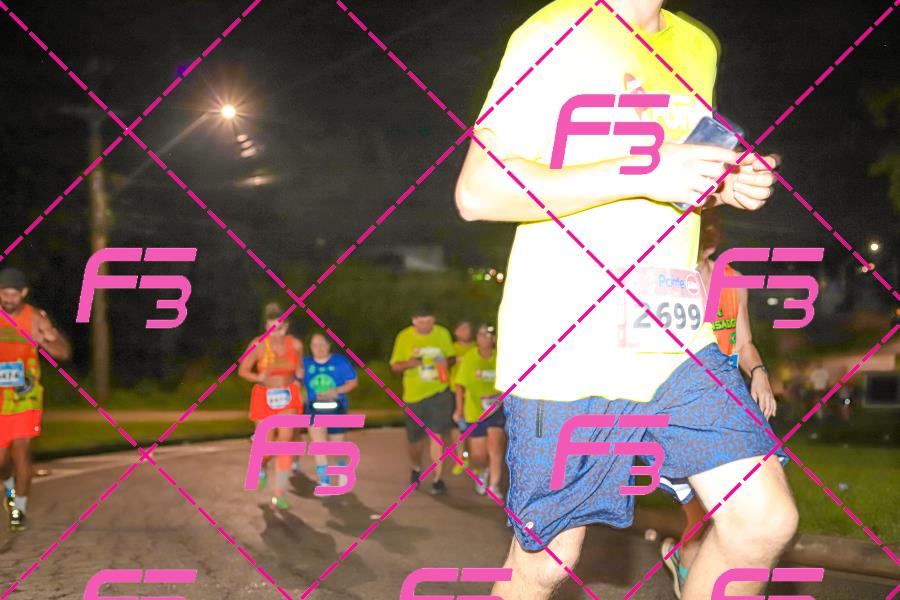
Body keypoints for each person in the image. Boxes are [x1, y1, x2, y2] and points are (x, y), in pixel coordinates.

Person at [455, 1, 796, 598]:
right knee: (548, 562)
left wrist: (724, 183)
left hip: (673, 334)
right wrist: (645, 172)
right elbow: (477, 191)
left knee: (763, 522)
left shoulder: (698, 45)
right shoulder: (557, 28)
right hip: (569, 337)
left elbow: (676, 173)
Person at [660, 210, 777, 598]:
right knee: (707, 507)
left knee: (725, 509)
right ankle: (690, 565)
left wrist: (758, 372)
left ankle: (687, 563)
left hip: (725, 401)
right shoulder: (668, 279)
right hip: (682, 401)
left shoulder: (733, 282)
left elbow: (744, 343)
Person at [0, 268, 71, 532]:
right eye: (4, 293)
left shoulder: (35, 318)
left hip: (25, 396)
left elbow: (63, 351)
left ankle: (19, 509)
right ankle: (8, 489)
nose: (8, 299)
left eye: (13, 294)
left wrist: (45, 342)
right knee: (1, 461)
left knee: (21, 450)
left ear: (24, 293)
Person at [238, 303, 304, 510]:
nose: (276, 329)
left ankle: (279, 493)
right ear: (266, 325)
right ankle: (261, 466)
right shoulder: (258, 345)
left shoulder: (296, 345)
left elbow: (299, 369)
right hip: (264, 397)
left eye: (281, 325)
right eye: (272, 325)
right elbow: (243, 370)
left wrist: (299, 380)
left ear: (287, 325)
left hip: (288, 396)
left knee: (285, 443)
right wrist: (258, 377)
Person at [389, 306, 456, 495]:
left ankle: (437, 479)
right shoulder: (404, 337)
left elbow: (451, 357)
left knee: (437, 435)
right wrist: (409, 363)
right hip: (414, 395)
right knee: (415, 440)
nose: (425, 326)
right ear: (414, 321)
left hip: (439, 392)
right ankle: (416, 467)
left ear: (433, 320)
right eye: (421, 322)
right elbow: (394, 366)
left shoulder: (442, 333)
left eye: (428, 322)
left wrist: (445, 362)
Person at [452, 324, 506, 497]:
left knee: (495, 448)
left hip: (496, 410)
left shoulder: (501, 357)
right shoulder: (470, 358)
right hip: (475, 410)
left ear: (494, 339)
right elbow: (459, 386)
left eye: (489, 336)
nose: (485, 339)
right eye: (482, 335)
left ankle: (494, 485)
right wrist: (459, 409)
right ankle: (482, 471)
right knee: (478, 455)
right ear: (477, 338)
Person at [302, 332, 358, 486]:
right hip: (314, 408)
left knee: (337, 446)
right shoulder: (305, 364)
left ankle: (342, 468)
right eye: (314, 345)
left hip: (336, 406)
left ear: (328, 345)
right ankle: (324, 479)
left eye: (322, 344)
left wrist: (336, 391)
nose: (318, 348)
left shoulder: (339, 362)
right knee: (318, 444)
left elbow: (352, 382)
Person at [450, 320, 475, 476]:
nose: (464, 332)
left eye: (467, 329)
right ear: (456, 331)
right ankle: (461, 457)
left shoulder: (476, 347)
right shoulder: (451, 349)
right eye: (461, 329)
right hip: (455, 391)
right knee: (458, 427)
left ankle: (474, 458)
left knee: (474, 428)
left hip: (474, 393)